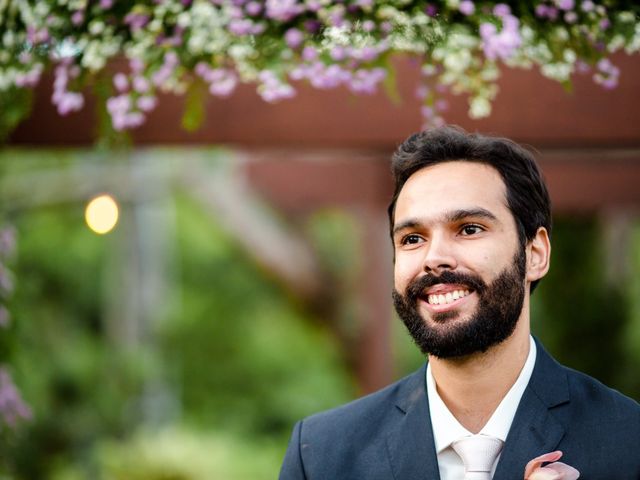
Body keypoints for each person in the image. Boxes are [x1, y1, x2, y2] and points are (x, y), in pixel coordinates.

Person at [279, 126, 640, 480]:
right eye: (412, 238)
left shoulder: (628, 442)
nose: (434, 257)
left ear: (535, 254)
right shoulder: (322, 456)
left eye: (469, 229)